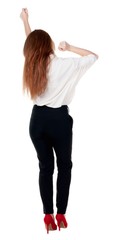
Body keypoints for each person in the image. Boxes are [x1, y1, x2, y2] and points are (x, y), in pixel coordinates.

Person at [20, 8, 98, 234]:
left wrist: (25, 21)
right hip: (60, 121)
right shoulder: (67, 65)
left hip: (37, 122)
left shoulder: (32, 64)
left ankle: (47, 216)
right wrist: (69, 47)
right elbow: (93, 56)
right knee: (64, 167)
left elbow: (30, 42)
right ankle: (61, 213)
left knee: (45, 168)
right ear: (49, 44)